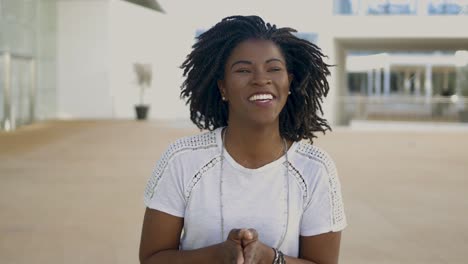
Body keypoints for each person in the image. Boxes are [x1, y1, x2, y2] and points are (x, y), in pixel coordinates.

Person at [139, 15, 347, 264]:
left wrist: (270, 259)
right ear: (222, 87)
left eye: (274, 68)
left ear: (289, 83)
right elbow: (152, 258)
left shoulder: (315, 169)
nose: (261, 79)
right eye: (243, 70)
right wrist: (215, 256)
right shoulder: (182, 159)